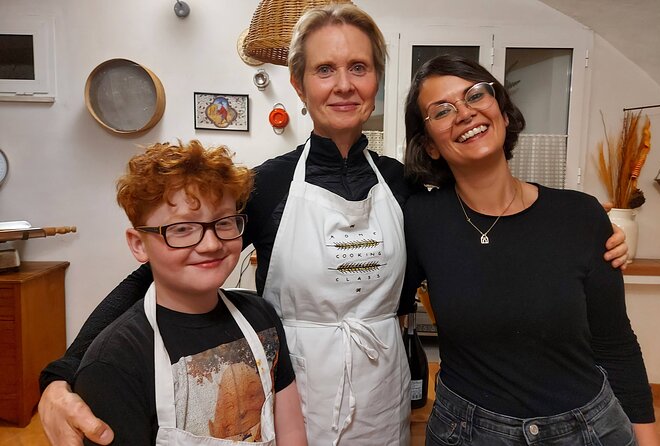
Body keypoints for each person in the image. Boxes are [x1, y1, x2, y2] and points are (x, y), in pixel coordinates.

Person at [37, 5, 629, 446]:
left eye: (358, 67)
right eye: (324, 69)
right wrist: (61, 375)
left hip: (382, 388)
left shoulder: (406, 186)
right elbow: (170, 267)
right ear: (299, 84)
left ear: (375, 84)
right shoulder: (265, 185)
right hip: (291, 391)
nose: (343, 84)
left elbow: (495, 227)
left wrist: (601, 233)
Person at [401, 54, 659, 445]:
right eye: (442, 110)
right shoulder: (420, 219)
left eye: (475, 95)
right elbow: (382, 300)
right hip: (468, 432)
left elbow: (615, 341)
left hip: (589, 429)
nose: (465, 113)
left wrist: (647, 434)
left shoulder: (580, 214)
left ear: (502, 112)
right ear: (430, 146)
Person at [72, 140, 307, 445]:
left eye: (223, 222)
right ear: (138, 244)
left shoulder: (261, 317)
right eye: (182, 229)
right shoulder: (114, 362)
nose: (211, 245)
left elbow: (290, 431)